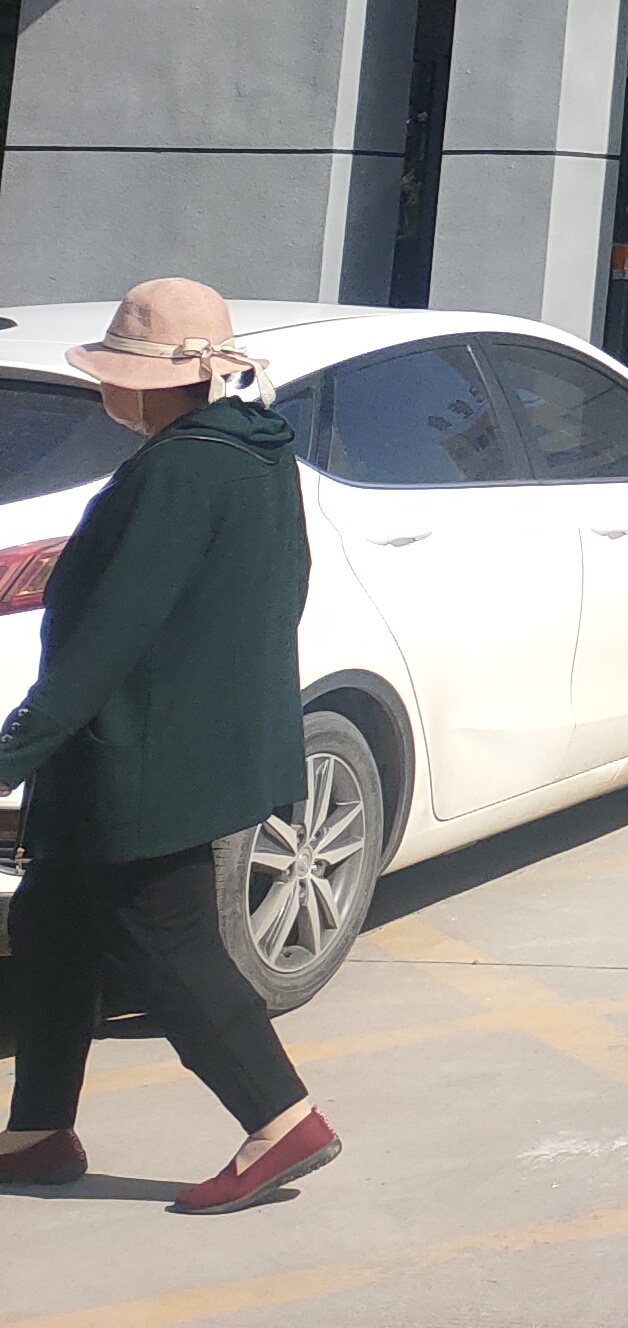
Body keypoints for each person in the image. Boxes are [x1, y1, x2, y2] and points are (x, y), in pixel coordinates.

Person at [0, 279, 341, 1213]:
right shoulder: (257, 452)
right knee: (54, 926)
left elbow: (106, 638)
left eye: (112, 372)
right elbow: (284, 590)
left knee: (168, 942)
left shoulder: (178, 471)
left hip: (144, 755)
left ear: (151, 382)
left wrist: (13, 754)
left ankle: (282, 1120)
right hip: (178, 739)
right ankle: (39, 1131)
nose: (103, 387)